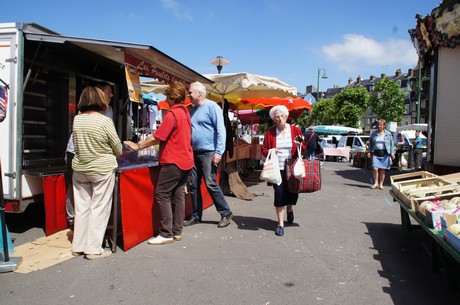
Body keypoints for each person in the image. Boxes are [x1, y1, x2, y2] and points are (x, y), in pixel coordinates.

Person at [124, 82, 194, 244]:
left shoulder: (172, 113)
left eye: (167, 96)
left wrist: (138, 145)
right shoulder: (185, 112)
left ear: (172, 97)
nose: (166, 100)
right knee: (178, 196)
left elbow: (158, 136)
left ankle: (166, 233)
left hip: (173, 160)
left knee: (162, 194)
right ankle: (176, 231)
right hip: (185, 160)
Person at [71, 86, 122, 260]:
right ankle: (93, 248)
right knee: (99, 208)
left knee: (82, 208)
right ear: (100, 100)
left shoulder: (77, 119)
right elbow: (117, 147)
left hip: (80, 168)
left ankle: (78, 245)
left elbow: (76, 145)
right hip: (102, 169)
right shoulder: (104, 121)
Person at [183, 81, 233, 228]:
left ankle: (226, 212)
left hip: (208, 152)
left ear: (199, 93)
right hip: (194, 152)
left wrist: (219, 152)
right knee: (193, 185)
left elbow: (220, 130)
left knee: (210, 183)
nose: (188, 95)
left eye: (190, 92)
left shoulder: (212, 107)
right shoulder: (191, 109)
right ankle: (196, 215)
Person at [65, 81, 114, 228]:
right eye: (108, 91)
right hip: (76, 152)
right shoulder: (85, 113)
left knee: (88, 193)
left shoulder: (109, 110)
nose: (111, 95)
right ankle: (73, 220)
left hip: (94, 155)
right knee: (75, 189)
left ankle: (86, 225)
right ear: (99, 94)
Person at [262, 105, 304, 236]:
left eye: (281, 115)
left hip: (292, 168)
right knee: (279, 194)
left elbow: (304, 147)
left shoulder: (295, 130)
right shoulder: (270, 132)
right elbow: (263, 149)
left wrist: (300, 145)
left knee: (292, 193)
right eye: (276, 117)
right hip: (277, 168)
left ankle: (290, 209)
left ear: (286, 116)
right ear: (273, 119)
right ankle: (280, 224)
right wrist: (270, 150)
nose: (279, 118)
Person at [367, 119, 395, 190]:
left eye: (380, 125)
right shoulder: (374, 133)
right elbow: (370, 144)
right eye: (378, 125)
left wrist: (392, 153)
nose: (379, 126)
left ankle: (381, 184)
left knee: (382, 169)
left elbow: (391, 144)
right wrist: (369, 151)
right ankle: (375, 183)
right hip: (376, 153)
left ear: (384, 126)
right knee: (375, 168)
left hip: (384, 153)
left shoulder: (388, 134)